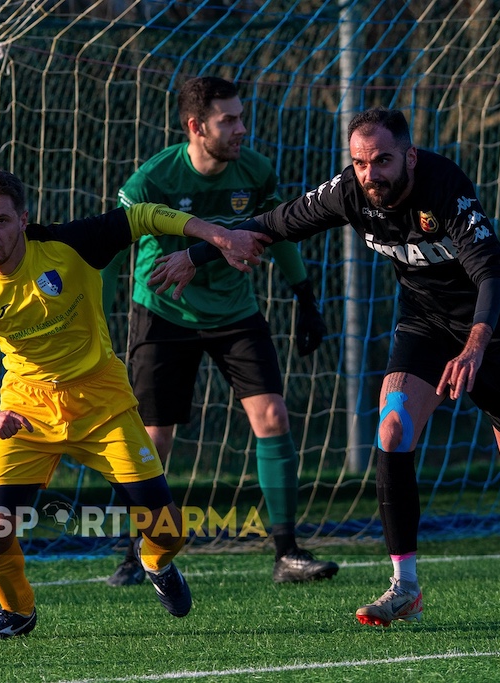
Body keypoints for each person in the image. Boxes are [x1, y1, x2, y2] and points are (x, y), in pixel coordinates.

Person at [150, 107, 500, 627]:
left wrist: (476, 346)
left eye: (383, 160)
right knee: (392, 428)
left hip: (496, 330)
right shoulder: (350, 191)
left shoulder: (444, 187)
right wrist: (202, 250)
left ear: (408, 157)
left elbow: (491, 276)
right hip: (426, 325)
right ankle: (405, 587)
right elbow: (277, 223)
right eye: (361, 162)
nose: (372, 174)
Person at [0, 167, 267, 641]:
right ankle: (16, 611)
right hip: (26, 413)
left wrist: (217, 234)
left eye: (2, 220)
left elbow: (143, 216)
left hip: (102, 404)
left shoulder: (70, 245)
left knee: (168, 532)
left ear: (23, 219)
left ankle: (154, 562)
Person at [101, 76, 338, 585]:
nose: (241, 129)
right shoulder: (151, 181)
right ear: (195, 127)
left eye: (241, 117)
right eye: (228, 120)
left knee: (273, 416)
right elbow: (111, 253)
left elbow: (278, 231)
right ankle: (138, 550)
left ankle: (287, 553)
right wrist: (97, 324)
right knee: (154, 439)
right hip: (165, 316)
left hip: (235, 313)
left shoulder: (253, 171)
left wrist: (305, 297)